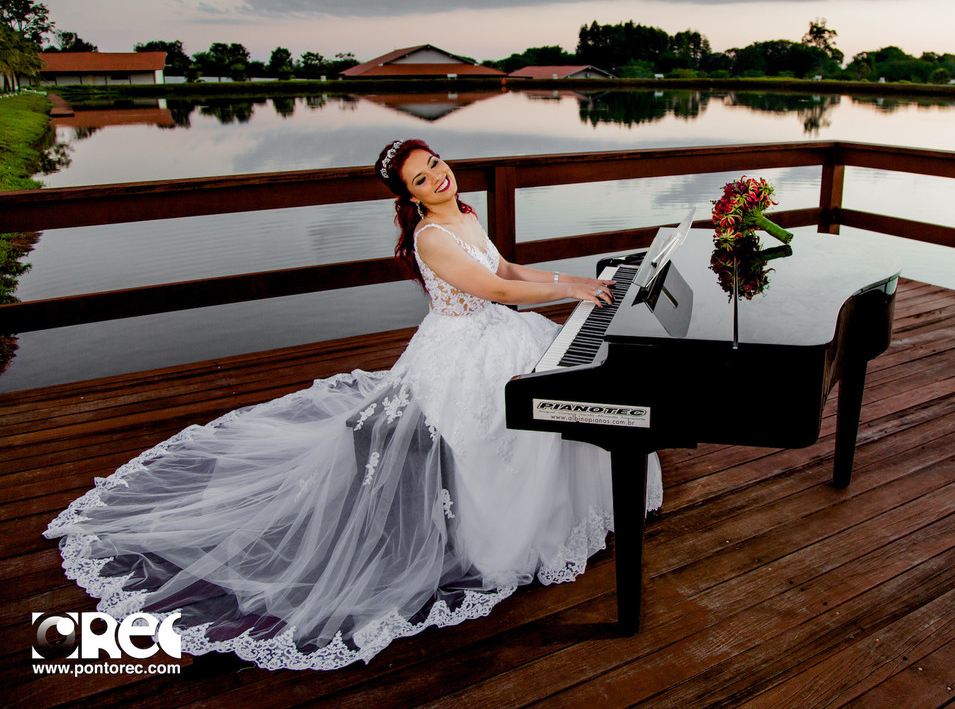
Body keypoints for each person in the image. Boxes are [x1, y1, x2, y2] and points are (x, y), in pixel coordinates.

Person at [44, 138, 663, 671]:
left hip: (498, 331)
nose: (439, 176)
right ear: (412, 196)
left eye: (437, 164)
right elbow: (495, 288)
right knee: (491, 436)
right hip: (463, 346)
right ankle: (493, 535)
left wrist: (564, 279)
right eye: (422, 178)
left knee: (555, 407)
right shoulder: (433, 234)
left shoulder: (466, 212)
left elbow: (503, 264)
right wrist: (569, 287)